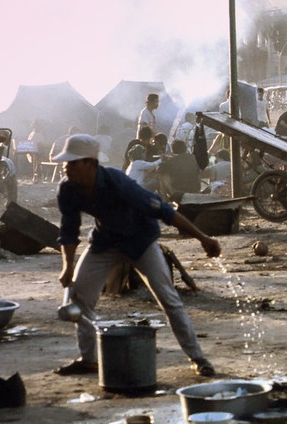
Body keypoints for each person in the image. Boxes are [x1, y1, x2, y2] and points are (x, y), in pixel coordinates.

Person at [50, 133, 220, 377]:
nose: (66, 167)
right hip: (105, 242)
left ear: (90, 163)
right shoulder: (67, 188)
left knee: (168, 298)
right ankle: (88, 359)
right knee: (79, 298)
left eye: (72, 162)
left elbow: (164, 211)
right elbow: (69, 231)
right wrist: (67, 267)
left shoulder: (118, 182)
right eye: (66, 162)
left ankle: (197, 358)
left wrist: (203, 238)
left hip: (140, 242)